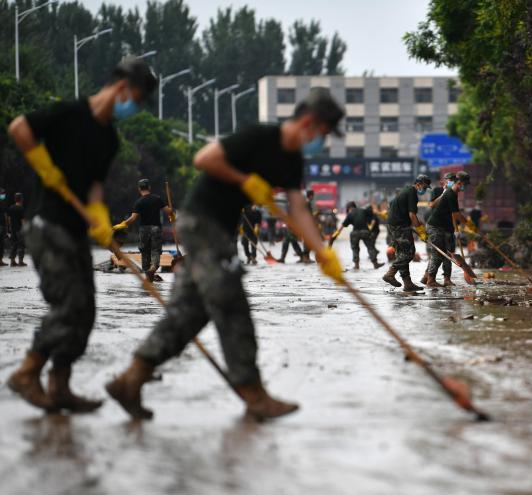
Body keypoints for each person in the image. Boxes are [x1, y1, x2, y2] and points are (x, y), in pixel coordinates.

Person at [106, 87, 345, 421]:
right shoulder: (260, 136)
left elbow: (297, 208)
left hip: (220, 230)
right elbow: (203, 159)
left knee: (188, 314)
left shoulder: (291, 158)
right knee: (232, 307)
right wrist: (247, 181)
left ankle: (130, 380)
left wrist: (322, 252)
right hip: (203, 223)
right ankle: (253, 394)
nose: (323, 140)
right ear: (309, 121)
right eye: (323, 132)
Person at [6, 57, 157, 413]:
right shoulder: (69, 113)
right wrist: (44, 165)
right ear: (121, 87)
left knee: (86, 311)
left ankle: (59, 385)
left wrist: (101, 219)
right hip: (47, 225)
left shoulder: (108, 139)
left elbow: (93, 189)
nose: (134, 106)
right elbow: (18, 128)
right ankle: (28, 372)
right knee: (70, 304)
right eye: (136, 97)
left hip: (75, 231)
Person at [113, 179, 174, 281]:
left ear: (139, 189)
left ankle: (147, 273)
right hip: (156, 228)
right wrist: (172, 214)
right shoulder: (157, 199)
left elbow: (133, 218)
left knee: (145, 251)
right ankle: (153, 267)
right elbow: (168, 211)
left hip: (144, 229)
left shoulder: (139, 202)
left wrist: (122, 224)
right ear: (149, 188)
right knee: (155, 250)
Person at [381, 175, 431, 291]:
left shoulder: (406, 190)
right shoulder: (412, 193)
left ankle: (407, 283)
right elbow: (412, 215)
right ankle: (390, 273)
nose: (424, 190)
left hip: (394, 224)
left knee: (401, 253)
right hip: (399, 225)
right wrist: (420, 230)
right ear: (418, 184)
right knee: (409, 252)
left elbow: (394, 205)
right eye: (424, 186)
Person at [424, 172, 471, 287]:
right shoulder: (449, 193)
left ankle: (447, 279)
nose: (465, 188)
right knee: (438, 253)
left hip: (446, 227)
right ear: (459, 183)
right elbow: (456, 214)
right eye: (464, 185)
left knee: (449, 253)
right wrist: (469, 224)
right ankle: (430, 280)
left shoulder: (453, 194)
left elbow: (454, 216)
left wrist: (456, 230)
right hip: (435, 227)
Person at [330, 201, 384, 270]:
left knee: (355, 248)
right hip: (365, 231)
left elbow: (342, 226)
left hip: (355, 233)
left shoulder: (350, 214)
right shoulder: (363, 210)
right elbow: (373, 213)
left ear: (349, 208)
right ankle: (375, 264)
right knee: (370, 247)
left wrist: (335, 235)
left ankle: (356, 265)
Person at [7, 192, 27, 266]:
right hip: (19, 229)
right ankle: (20, 261)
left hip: (13, 229)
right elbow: (23, 220)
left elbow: (8, 219)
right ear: (21, 199)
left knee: (14, 245)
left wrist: (9, 228)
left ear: (15, 199)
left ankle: (12, 261)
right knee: (21, 245)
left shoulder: (11, 207)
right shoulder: (21, 208)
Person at [0, 187, 8, 266]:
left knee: (2, 244)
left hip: (2, 225)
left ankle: (0, 260)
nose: (3, 195)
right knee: (1, 243)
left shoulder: (3, 203)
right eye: (2, 194)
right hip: (1, 226)